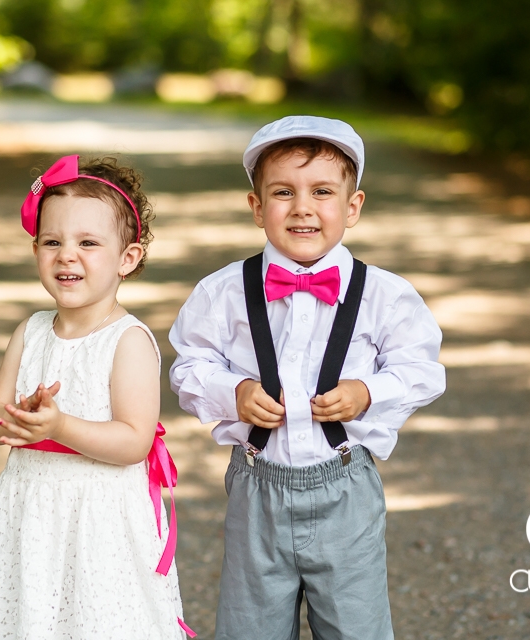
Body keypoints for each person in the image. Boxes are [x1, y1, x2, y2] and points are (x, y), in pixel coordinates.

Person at [169, 116, 446, 640]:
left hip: (345, 485)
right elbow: (188, 363)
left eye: (322, 191)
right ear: (256, 207)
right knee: (250, 626)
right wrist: (235, 392)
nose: (302, 207)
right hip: (257, 488)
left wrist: (369, 392)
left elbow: (422, 369)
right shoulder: (222, 291)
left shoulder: (385, 294)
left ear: (352, 206)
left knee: (356, 626)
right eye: (282, 192)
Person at [0, 155, 193, 640]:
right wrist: (13, 421)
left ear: (128, 258)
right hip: (29, 513)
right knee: (28, 617)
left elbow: (132, 442)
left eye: (88, 243)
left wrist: (60, 426)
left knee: (95, 621)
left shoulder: (127, 341)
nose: (67, 255)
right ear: (35, 249)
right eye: (52, 242)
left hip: (100, 521)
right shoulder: (32, 331)